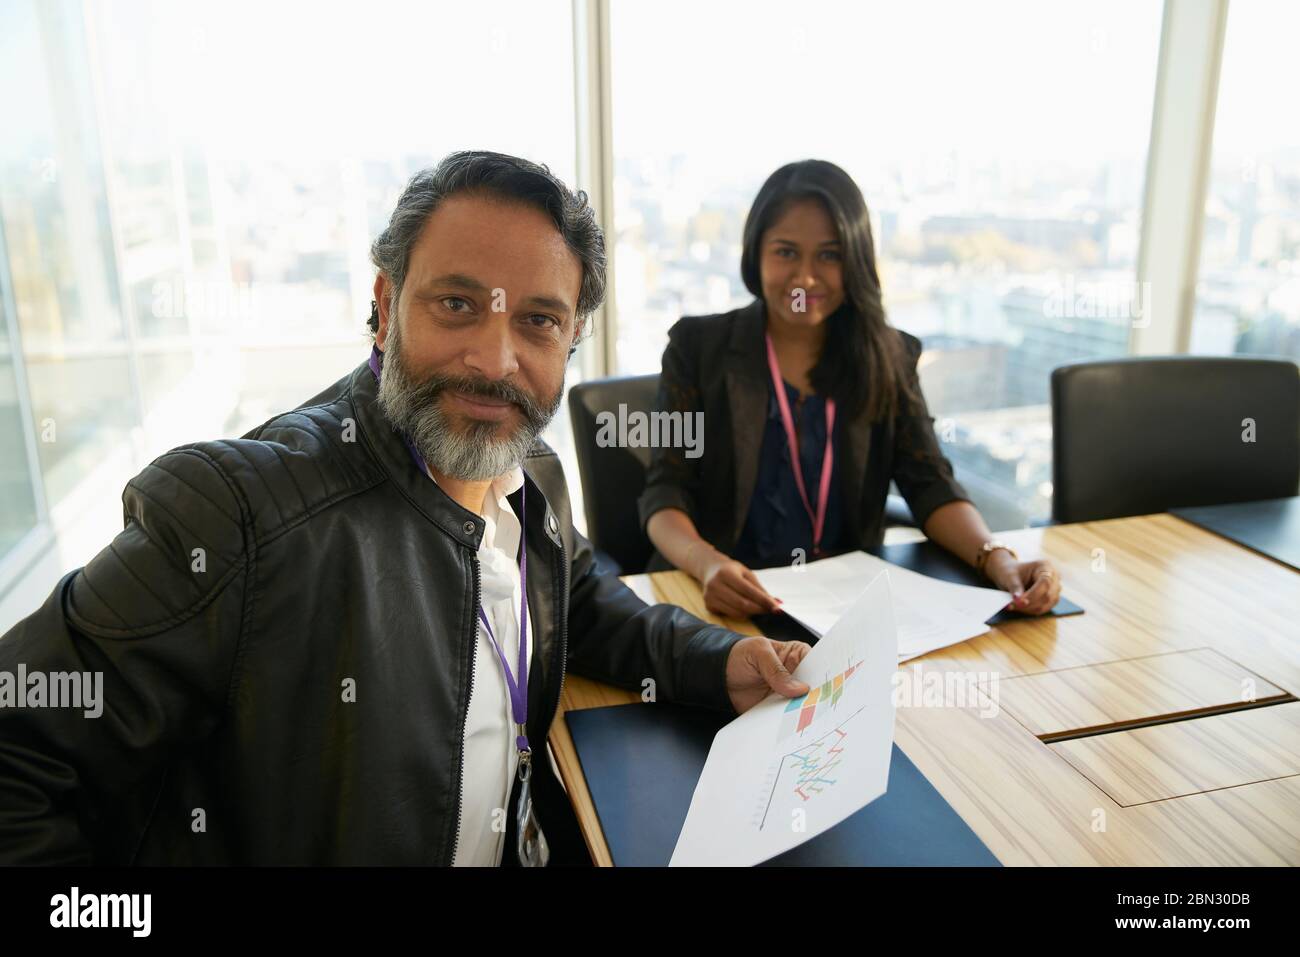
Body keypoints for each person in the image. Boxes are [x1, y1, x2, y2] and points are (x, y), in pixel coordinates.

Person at [0, 151, 812, 866]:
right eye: (457, 304)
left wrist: (721, 660)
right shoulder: (242, 518)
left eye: (537, 320)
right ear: (386, 307)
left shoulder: (529, 472)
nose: (496, 360)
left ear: (571, 340)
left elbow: (582, 599)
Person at [639, 159, 1062, 620]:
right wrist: (709, 566)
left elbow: (929, 484)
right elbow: (665, 493)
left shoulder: (890, 355)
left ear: (855, 260)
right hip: (721, 605)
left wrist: (996, 557)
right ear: (755, 252)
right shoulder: (697, 349)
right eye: (785, 252)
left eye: (829, 255)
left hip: (841, 612)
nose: (805, 278)